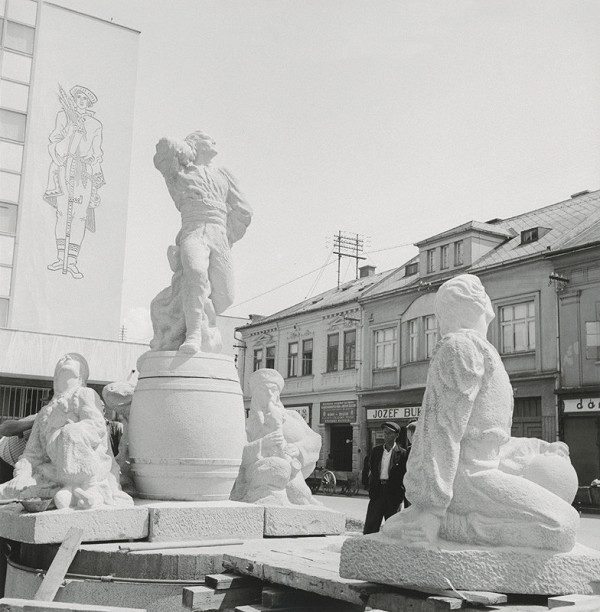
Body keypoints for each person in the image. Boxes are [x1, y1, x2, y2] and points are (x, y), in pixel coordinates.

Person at [382, 274, 579, 552]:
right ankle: (453, 526)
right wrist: (432, 511)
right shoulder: (459, 348)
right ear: (475, 303)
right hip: (467, 477)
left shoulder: (481, 349)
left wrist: (537, 447)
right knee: (561, 526)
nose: (489, 299)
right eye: (484, 293)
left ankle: (440, 520)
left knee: (558, 502)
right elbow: (442, 430)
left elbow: (486, 437)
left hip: (483, 468)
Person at [150, 130, 253, 354]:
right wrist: (185, 150)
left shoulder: (223, 174)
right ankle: (194, 334)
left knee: (226, 296)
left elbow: (244, 209)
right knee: (196, 273)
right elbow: (165, 149)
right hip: (193, 230)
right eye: (206, 138)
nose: (213, 140)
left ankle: (193, 316)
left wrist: (228, 233)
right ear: (194, 145)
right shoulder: (179, 173)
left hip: (219, 234)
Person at [0, 353, 133, 510]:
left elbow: (97, 427)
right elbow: (31, 454)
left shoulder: (86, 394)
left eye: (74, 359)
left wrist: (70, 431)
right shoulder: (44, 413)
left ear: (82, 374)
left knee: (70, 433)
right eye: (62, 360)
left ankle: (82, 489)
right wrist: (22, 475)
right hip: (50, 473)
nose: (67, 358)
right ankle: (68, 492)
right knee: (4, 492)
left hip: (86, 472)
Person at [230, 369, 321, 505]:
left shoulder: (292, 417)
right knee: (278, 468)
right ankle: (267, 496)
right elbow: (239, 455)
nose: (269, 394)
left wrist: (298, 449)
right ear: (256, 394)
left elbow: (314, 439)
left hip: (292, 468)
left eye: (273, 390)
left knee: (301, 494)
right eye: (263, 390)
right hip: (260, 470)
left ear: (278, 394)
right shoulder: (248, 424)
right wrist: (262, 444)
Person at [44, 85, 104, 279]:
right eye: (78, 97)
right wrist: (71, 131)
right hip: (64, 167)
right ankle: (60, 257)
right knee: (63, 213)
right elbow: (55, 141)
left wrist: (93, 164)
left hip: (83, 172)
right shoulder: (63, 116)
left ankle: (71, 261)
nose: (81, 101)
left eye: (85, 99)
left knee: (79, 216)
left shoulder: (95, 124)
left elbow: (97, 151)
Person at [363, 421, 408, 534]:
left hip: (393, 495)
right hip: (377, 493)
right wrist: (369, 486)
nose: (386, 436)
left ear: (396, 435)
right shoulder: (376, 451)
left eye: (390, 433)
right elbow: (369, 469)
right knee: (370, 528)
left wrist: (400, 494)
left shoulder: (402, 453)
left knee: (392, 529)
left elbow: (405, 475)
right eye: (385, 433)